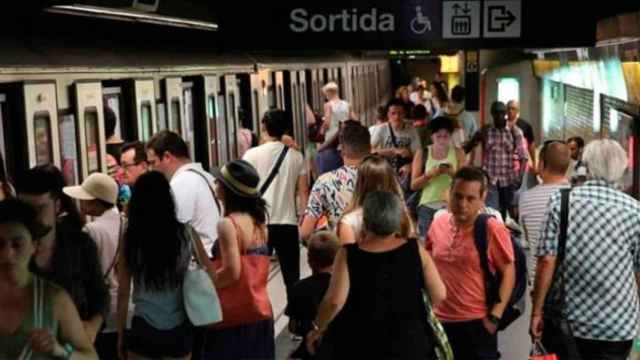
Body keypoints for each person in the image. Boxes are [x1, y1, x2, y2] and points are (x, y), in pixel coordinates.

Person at [531, 139, 640, 360]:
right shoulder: (635, 210)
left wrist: (537, 311)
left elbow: (547, 261)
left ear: (586, 166)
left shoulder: (560, 201)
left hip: (568, 324)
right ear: (621, 170)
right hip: (617, 328)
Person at [306, 191, 446, 359]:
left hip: (361, 344)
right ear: (397, 219)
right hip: (410, 343)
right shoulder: (415, 250)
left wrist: (317, 328)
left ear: (365, 220)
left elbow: (335, 301)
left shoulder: (348, 255)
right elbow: (439, 294)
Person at [117, 171, 213, 360]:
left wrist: (121, 334)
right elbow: (210, 273)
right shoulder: (186, 233)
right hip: (179, 326)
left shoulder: (130, 237)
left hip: (142, 326)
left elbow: (123, 291)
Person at [427, 167, 515, 360]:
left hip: (476, 324)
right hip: (441, 321)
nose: (462, 204)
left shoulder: (492, 229)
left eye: (470, 198)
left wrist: (495, 316)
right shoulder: (438, 223)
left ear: (482, 198)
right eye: (457, 196)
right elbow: (427, 263)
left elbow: (509, 271)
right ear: (449, 194)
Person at [18, 165, 108, 344]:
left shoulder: (80, 245)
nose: (32, 218)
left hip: (73, 346)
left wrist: (93, 326)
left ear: (57, 205)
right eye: (25, 210)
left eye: (40, 209)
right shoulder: (11, 251)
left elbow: (100, 295)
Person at [0, 199, 99, 360]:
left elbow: (91, 356)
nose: (7, 254)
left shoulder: (55, 299)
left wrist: (60, 350)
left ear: (34, 245)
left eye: (17, 244)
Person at [205, 160, 275, 359]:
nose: (215, 185)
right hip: (260, 309)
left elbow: (232, 272)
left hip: (234, 316)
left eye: (219, 182)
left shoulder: (228, 224)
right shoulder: (259, 223)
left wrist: (205, 284)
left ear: (229, 189)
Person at [243, 109, 309, 301]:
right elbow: (303, 192)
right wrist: (303, 219)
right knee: (292, 280)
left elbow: (245, 189)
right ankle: (298, 321)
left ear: (263, 128)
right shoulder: (296, 156)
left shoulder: (251, 154)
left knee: (257, 279)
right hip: (287, 225)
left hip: (260, 225)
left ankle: (261, 319)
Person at [62, 173, 123, 360]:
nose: (81, 203)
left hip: (101, 309)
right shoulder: (125, 222)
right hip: (125, 307)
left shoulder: (92, 230)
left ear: (96, 202)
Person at [146, 130, 221, 258]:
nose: (150, 169)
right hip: (213, 256)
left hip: (201, 261)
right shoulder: (206, 176)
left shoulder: (182, 183)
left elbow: (173, 231)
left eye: (153, 163)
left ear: (167, 157)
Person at [300, 122, 370, 242]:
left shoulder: (324, 182)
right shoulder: (384, 176)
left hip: (341, 252)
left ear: (341, 150)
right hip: (379, 253)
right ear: (370, 148)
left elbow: (306, 232)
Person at [466, 101, 529, 220]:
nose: (500, 116)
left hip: (508, 179)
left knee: (505, 211)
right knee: (492, 212)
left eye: (502, 113)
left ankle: (503, 233)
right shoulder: (486, 130)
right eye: (496, 114)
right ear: (492, 114)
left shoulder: (514, 131)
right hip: (490, 178)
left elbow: (523, 157)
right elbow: (469, 147)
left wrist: (520, 177)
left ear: (505, 114)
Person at [518, 141, 570, 282]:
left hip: (536, 281)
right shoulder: (577, 197)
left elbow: (526, 243)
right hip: (566, 284)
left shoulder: (526, 198)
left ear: (541, 164)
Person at [286, 231, 340, 360]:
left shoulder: (299, 288)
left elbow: (293, 327)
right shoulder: (342, 288)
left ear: (309, 260)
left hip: (310, 351)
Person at [411, 117, 465, 238]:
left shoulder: (458, 153)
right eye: (438, 136)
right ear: (432, 136)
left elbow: (464, 183)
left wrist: (452, 173)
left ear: (451, 136)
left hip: (451, 207)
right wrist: (429, 175)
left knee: (449, 243)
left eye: (445, 136)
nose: (442, 140)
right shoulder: (422, 153)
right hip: (427, 206)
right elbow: (413, 185)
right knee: (426, 243)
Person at [338, 155, 409, 245]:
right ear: (390, 182)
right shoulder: (401, 215)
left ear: (360, 183)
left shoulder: (350, 221)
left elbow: (347, 256)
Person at [371, 98, 421, 182]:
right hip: (385, 174)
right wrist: (393, 151)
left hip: (403, 174)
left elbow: (418, 154)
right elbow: (369, 150)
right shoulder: (381, 129)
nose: (396, 117)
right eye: (393, 113)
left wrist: (411, 165)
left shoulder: (411, 130)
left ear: (404, 113)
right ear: (388, 114)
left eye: (400, 113)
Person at [316, 82, 356, 175]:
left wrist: (320, 133)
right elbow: (355, 120)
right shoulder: (347, 104)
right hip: (345, 141)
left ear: (328, 93)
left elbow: (327, 122)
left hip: (331, 140)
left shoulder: (328, 105)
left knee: (331, 170)